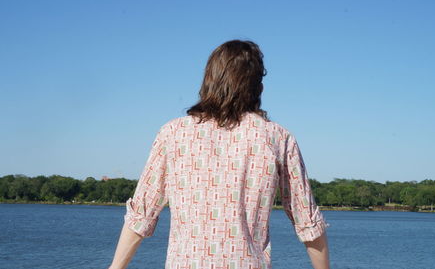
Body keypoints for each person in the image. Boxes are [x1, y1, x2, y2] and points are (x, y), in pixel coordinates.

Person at [109, 39, 330, 269]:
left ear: (208, 81)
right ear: (258, 88)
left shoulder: (173, 134)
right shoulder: (278, 139)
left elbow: (141, 217)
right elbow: (308, 225)